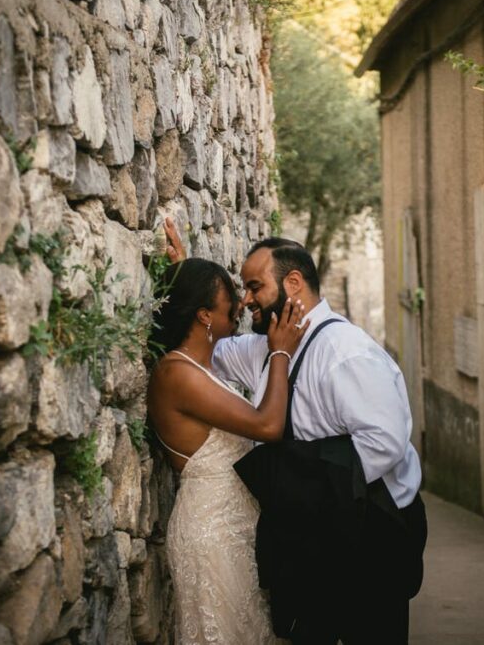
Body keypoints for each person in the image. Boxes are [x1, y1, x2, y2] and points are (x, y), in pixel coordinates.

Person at [163, 219, 427, 644]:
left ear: (293, 282)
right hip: (312, 538)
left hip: (368, 532)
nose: (246, 300)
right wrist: (186, 280)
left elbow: (385, 443)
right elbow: (206, 345)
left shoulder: (347, 352)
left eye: (253, 287)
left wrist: (305, 488)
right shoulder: (266, 348)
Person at [147, 253, 308, 644]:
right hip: (212, 534)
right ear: (203, 315)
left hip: (237, 530)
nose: (240, 305)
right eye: (229, 298)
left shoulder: (200, 368)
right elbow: (268, 425)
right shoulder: (175, 374)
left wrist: (187, 268)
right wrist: (281, 352)